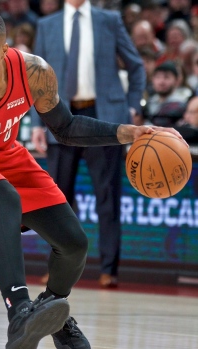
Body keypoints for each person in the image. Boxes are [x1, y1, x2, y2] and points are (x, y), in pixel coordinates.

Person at [0, 10, 184, 349]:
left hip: (4, 151)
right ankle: (19, 314)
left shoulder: (33, 72)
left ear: (4, 50)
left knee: (74, 244)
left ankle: (52, 311)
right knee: (6, 199)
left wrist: (126, 132)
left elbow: (66, 127)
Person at [31, 0, 146, 289]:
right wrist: (35, 123)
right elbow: (33, 78)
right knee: (57, 200)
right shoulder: (47, 25)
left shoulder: (109, 20)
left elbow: (136, 66)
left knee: (107, 198)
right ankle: (58, 268)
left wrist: (132, 107)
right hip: (61, 116)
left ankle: (109, 269)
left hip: (104, 116)